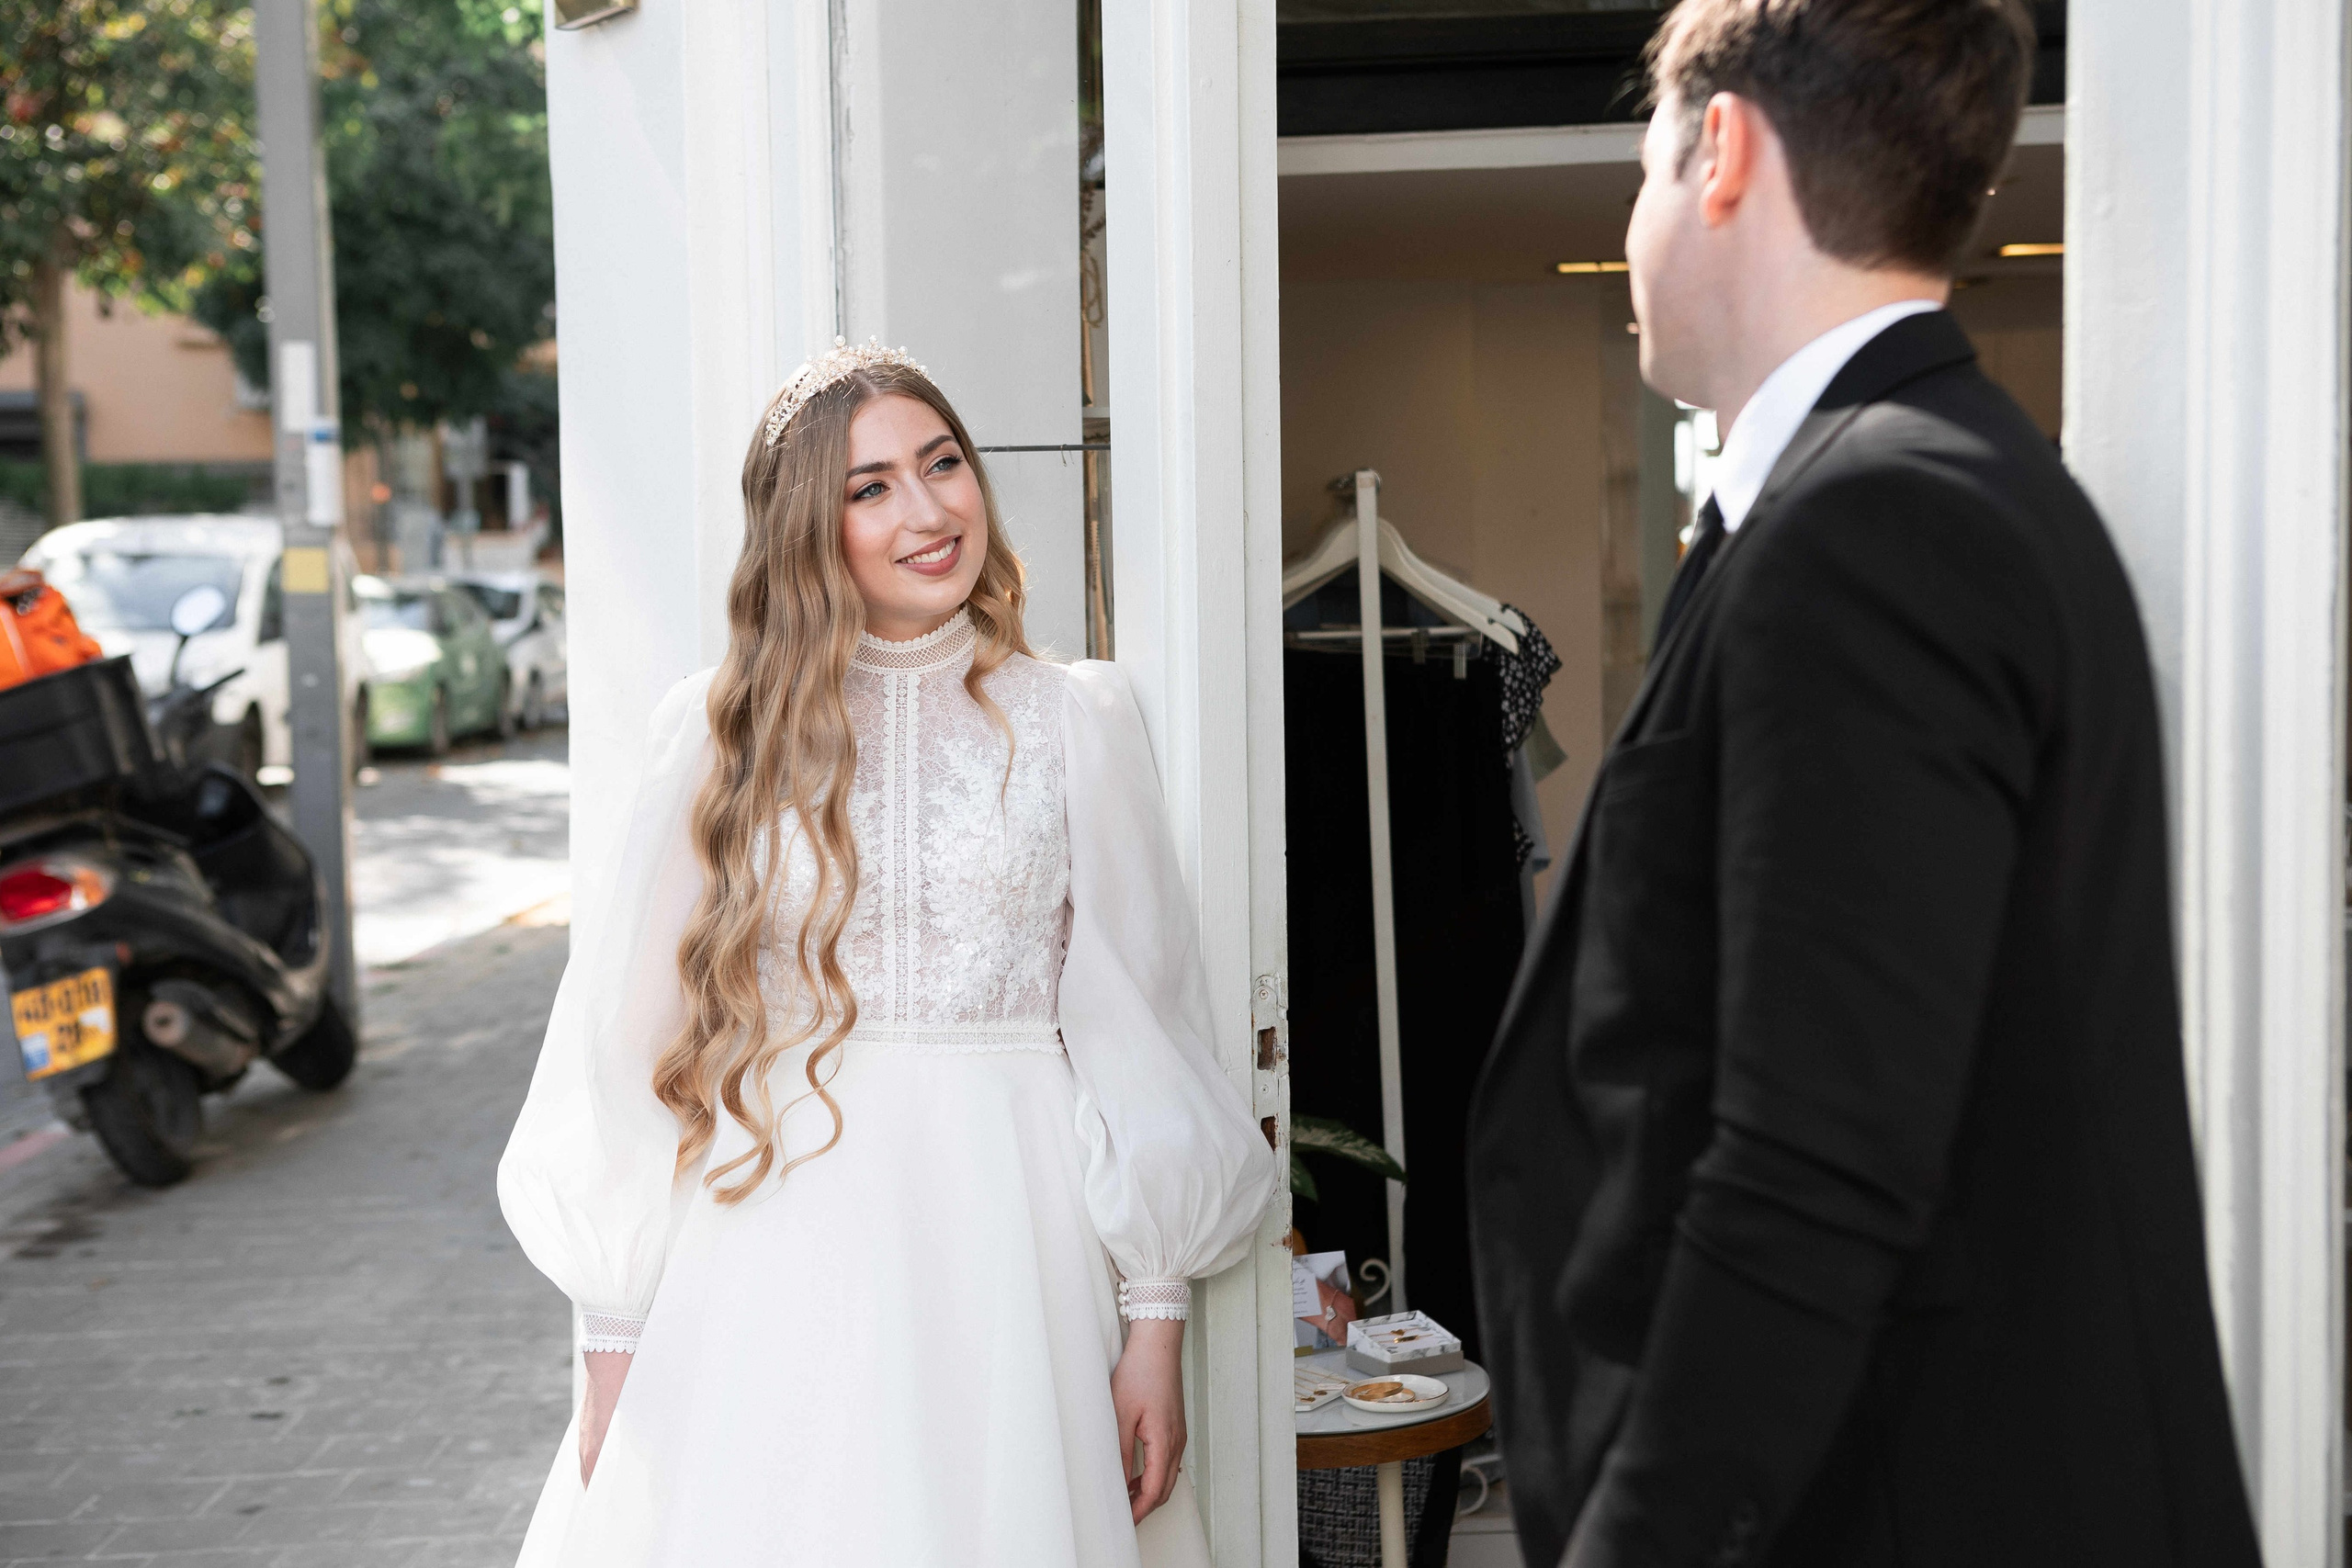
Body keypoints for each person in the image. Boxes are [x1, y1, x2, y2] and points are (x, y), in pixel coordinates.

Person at [1464, 4, 2262, 1566]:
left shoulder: (1877, 523)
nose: (1624, 228)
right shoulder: (1926, 482)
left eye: (1638, 168)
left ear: (1723, 153)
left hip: (1904, 1501)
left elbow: (1815, 1160)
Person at [498, 341, 1274, 1567]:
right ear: (810, 527)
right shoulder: (717, 734)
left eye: (943, 463)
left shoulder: (1077, 720)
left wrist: (1155, 1315)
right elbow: (629, 1046)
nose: (927, 510)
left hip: (1013, 1261)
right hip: (770, 1245)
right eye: (870, 487)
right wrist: (610, 1337)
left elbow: (1140, 1030)